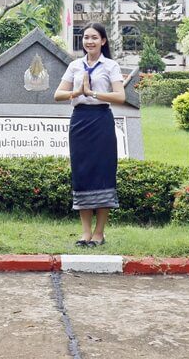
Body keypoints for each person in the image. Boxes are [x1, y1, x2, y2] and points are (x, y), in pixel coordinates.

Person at [54, 23, 125, 247]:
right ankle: (85, 233)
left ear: (103, 41)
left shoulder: (110, 65)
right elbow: (57, 94)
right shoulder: (75, 65)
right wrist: (77, 92)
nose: (89, 42)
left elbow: (120, 96)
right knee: (82, 173)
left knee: (102, 173)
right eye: (85, 38)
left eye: (94, 37)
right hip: (80, 121)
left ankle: (99, 233)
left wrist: (92, 92)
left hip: (101, 120)